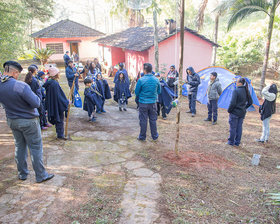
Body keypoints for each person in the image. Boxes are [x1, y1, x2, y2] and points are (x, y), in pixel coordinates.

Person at [0, 61, 54, 183]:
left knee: (19, 146)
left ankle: (22, 173)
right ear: (14, 72)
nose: (18, 76)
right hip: (28, 121)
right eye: (18, 73)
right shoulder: (20, 86)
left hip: (12, 120)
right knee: (35, 148)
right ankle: (41, 175)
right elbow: (36, 103)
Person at [135, 63, 161, 141]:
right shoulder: (156, 80)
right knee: (153, 120)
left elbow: (136, 92)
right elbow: (159, 91)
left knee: (143, 120)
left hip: (143, 103)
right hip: (153, 103)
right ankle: (155, 136)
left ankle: (142, 137)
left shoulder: (141, 80)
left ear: (144, 70)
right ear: (151, 70)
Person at [43, 67, 69, 140]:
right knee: (60, 120)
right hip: (57, 105)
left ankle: (60, 134)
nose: (59, 74)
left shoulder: (51, 82)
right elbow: (59, 97)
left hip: (54, 104)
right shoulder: (54, 84)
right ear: (55, 74)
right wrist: (66, 102)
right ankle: (60, 135)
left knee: (59, 120)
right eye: (58, 73)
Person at [227, 77, 253, 146]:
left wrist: (229, 110)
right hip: (242, 112)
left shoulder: (236, 91)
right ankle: (237, 142)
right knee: (239, 127)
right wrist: (245, 107)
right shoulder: (246, 91)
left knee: (233, 127)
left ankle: (231, 142)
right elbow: (250, 102)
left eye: (237, 82)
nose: (236, 83)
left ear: (239, 83)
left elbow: (233, 103)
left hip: (235, 112)